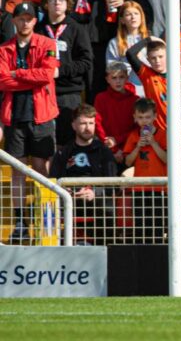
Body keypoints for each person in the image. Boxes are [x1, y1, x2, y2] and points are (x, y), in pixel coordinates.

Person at [1, 1, 59, 243]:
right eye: (21, 18)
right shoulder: (4, 49)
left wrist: (18, 74)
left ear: (35, 21)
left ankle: (46, 223)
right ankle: (20, 222)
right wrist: (28, 77)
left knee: (42, 170)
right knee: (17, 173)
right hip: (14, 117)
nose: (25, 22)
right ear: (14, 21)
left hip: (41, 115)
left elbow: (47, 75)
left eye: (29, 18)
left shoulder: (47, 43)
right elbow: (2, 81)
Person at [48, 104, 118, 245]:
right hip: (69, 201)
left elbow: (114, 184)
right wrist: (65, 192)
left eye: (91, 123)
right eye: (83, 123)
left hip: (96, 203)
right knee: (53, 211)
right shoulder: (64, 152)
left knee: (107, 209)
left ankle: (104, 251)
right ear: (74, 125)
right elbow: (53, 180)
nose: (88, 128)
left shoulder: (104, 152)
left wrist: (94, 192)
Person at [37, 0, 93, 146]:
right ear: (46, 4)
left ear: (67, 3)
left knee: (67, 142)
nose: (57, 3)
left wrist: (60, 71)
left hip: (68, 93)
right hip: (43, 92)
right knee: (45, 144)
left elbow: (86, 62)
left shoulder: (76, 29)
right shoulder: (38, 30)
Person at [123, 97, 168, 243]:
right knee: (141, 230)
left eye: (148, 117)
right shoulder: (134, 136)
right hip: (139, 189)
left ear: (155, 116)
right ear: (135, 118)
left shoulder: (163, 134)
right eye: (141, 117)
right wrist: (137, 147)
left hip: (160, 188)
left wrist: (153, 143)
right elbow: (128, 161)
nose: (145, 121)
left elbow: (168, 160)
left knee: (158, 229)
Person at [94, 61, 140, 162]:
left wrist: (121, 146)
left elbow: (137, 127)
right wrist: (112, 148)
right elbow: (97, 125)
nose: (118, 81)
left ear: (127, 78)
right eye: (114, 78)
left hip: (131, 149)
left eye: (121, 77)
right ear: (107, 79)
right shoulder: (101, 98)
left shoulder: (135, 100)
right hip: (107, 148)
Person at [125, 38, 168, 132]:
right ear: (148, 59)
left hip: (177, 129)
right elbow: (130, 53)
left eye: (161, 56)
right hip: (156, 130)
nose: (157, 61)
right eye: (153, 58)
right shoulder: (146, 74)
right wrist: (149, 39)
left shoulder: (177, 75)